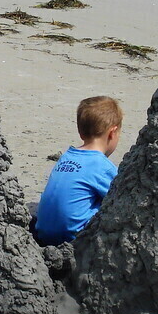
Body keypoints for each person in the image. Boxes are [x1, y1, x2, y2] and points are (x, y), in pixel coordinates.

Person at [33, 96, 122, 246]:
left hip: (41, 233)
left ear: (81, 133)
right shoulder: (102, 166)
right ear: (112, 133)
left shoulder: (65, 157)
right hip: (75, 239)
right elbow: (123, 199)